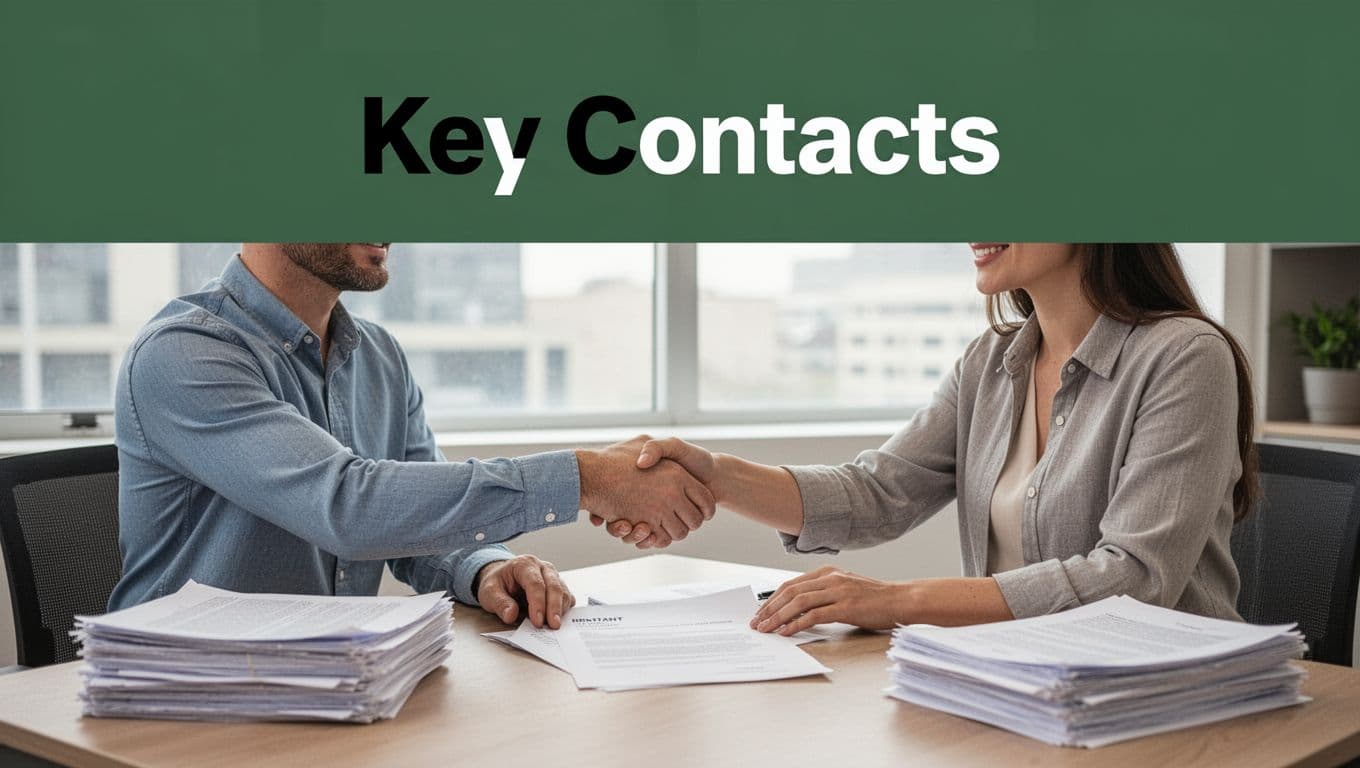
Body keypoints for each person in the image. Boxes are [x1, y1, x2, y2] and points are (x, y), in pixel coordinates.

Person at [600, 244, 1256, 636]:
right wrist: (712, 472)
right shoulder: (992, 363)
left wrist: (897, 601)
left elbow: (1133, 579)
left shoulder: (1184, 357)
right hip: (1025, 685)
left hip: (1166, 702)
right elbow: (879, 492)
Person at [109, 243, 714, 629]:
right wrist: (586, 477)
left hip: (328, 685)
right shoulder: (185, 353)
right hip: (182, 699)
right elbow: (347, 506)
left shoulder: (378, 356)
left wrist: (481, 568)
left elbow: (411, 526)